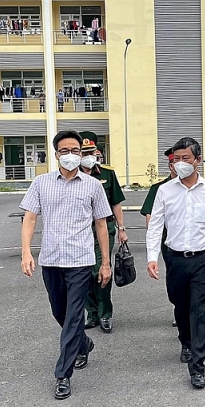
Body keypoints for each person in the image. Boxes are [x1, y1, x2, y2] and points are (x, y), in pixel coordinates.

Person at [20, 131, 112, 400]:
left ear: (81, 153)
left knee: (74, 316)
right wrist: (26, 252)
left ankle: (63, 374)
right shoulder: (41, 183)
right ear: (56, 153)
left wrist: (105, 262)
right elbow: (30, 219)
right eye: (65, 150)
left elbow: (101, 225)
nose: (71, 155)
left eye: (75, 150)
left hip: (81, 261)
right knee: (60, 312)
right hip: (51, 260)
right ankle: (83, 343)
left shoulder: (92, 185)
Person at [147, 138, 205, 389]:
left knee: (201, 312)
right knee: (181, 307)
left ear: (197, 160)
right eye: (177, 159)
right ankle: (185, 340)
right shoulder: (165, 191)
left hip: (204, 258)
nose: (180, 163)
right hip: (175, 258)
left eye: (186, 158)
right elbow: (155, 227)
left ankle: (197, 365)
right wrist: (152, 257)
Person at [79, 131, 128, 333]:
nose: (88, 156)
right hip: (80, 230)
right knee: (83, 273)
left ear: (97, 152)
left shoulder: (107, 174)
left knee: (101, 270)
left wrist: (121, 228)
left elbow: (115, 203)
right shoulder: (73, 176)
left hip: (103, 228)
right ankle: (91, 313)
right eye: (84, 152)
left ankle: (105, 313)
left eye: (91, 152)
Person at [141, 148, 180, 327]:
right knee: (175, 276)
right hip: (169, 240)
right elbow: (150, 216)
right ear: (169, 165)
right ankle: (179, 308)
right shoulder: (160, 188)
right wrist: (153, 244)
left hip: (196, 242)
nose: (176, 167)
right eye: (173, 163)